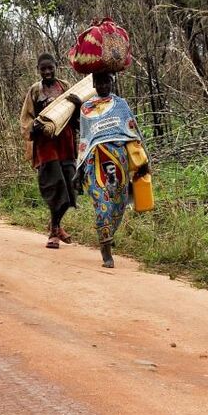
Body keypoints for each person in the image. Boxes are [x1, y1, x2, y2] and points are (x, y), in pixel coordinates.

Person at [72, 72, 149, 268]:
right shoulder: (86, 108)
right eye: (99, 82)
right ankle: (106, 251)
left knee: (119, 204)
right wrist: (78, 170)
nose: (103, 85)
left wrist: (143, 163)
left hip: (119, 162)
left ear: (111, 82)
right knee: (102, 205)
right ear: (94, 84)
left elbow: (133, 132)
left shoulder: (121, 104)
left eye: (106, 81)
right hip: (94, 162)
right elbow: (84, 141)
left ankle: (109, 234)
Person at [19, 53, 78, 249]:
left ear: (55, 66)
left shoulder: (65, 87)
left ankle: (56, 225)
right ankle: (54, 232)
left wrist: (78, 105)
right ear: (38, 69)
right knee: (55, 187)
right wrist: (34, 128)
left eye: (49, 67)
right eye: (43, 69)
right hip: (46, 147)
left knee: (70, 188)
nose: (46, 72)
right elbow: (26, 118)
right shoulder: (35, 91)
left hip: (66, 143)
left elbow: (75, 114)